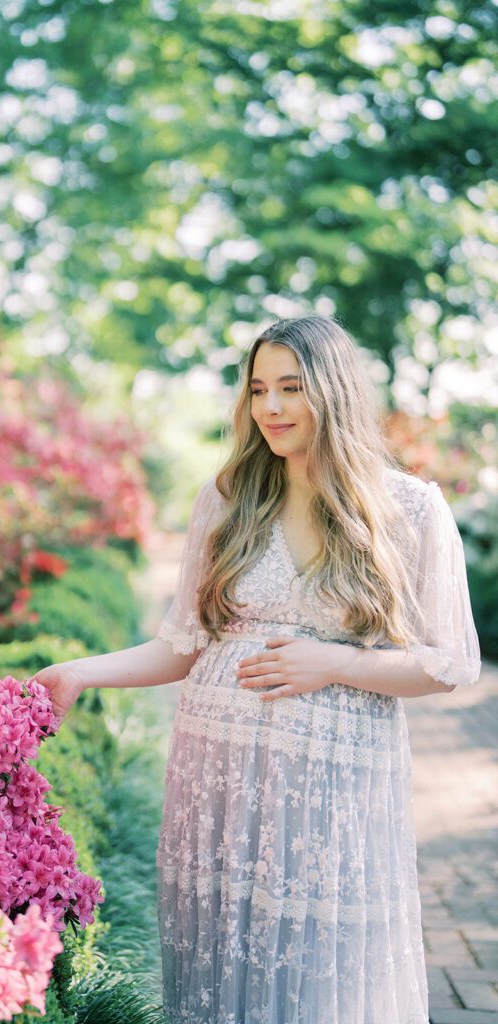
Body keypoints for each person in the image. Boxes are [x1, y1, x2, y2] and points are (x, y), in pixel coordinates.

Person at [32, 314, 482, 1024]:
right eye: (258, 390)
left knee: (324, 969)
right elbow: (182, 646)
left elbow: (450, 665)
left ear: (332, 393)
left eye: (291, 388)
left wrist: (334, 662)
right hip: (218, 785)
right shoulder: (228, 500)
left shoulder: (410, 509)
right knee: (224, 966)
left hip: (333, 790)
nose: (270, 408)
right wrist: (82, 671)